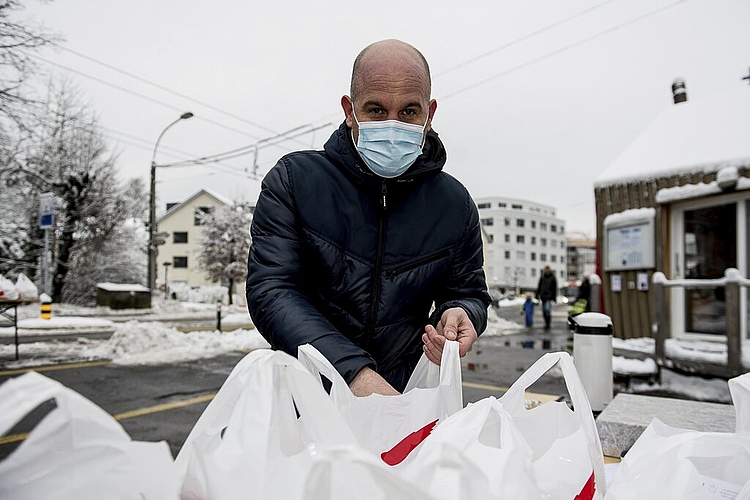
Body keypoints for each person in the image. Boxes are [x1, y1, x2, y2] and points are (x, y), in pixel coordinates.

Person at [245, 39, 491, 397]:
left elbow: (468, 292)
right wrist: (352, 374)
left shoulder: (455, 204)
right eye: (376, 110)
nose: (392, 126)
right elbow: (272, 290)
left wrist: (463, 315)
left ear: (430, 113)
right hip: (304, 399)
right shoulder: (295, 180)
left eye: (409, 111)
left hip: (405, 400)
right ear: (349, 109)